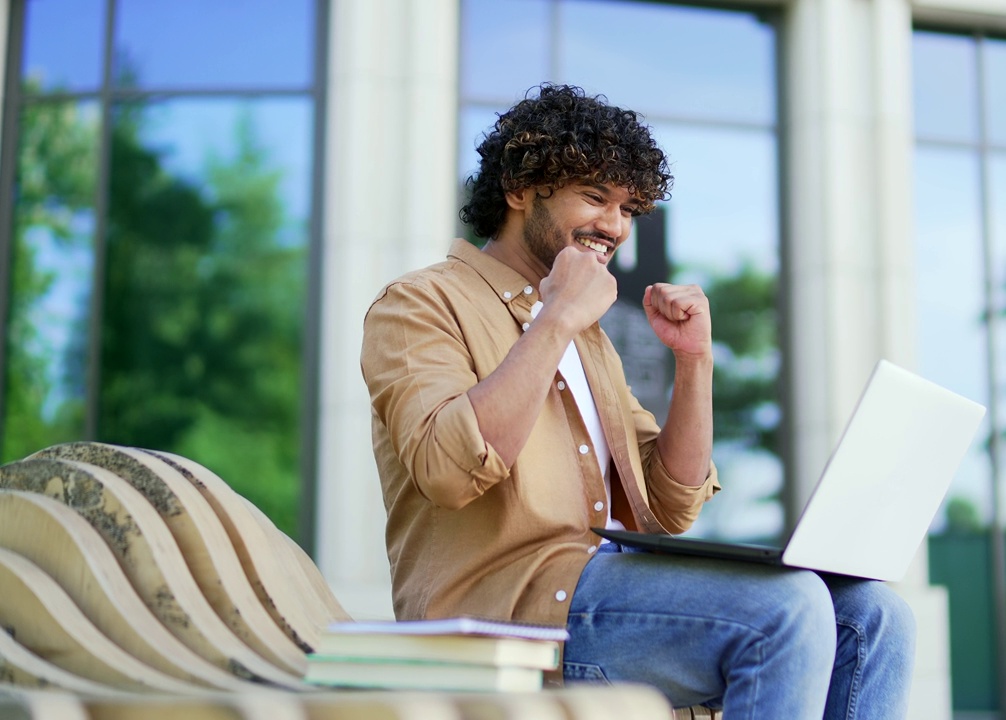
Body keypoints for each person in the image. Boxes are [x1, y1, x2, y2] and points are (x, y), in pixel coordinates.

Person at [361, 83, 916, 719]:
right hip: (509, 614)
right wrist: (558, 316)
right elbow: (446, 470)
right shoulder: (418, 304)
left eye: (629, 208)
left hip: (611, 596)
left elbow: (671, 503)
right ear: (519, 190)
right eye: (595, 197)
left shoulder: (589, 337)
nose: (614, 226)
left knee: (875, 617)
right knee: (783, 609)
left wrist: (694, 360)